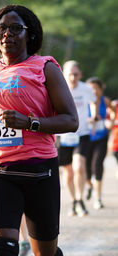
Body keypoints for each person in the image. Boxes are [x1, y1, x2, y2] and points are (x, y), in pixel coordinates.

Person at [0, 4, 78, 256]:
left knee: (45, 252)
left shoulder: (45, 68)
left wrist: (29, 122)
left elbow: (70, 120)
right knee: (3, 249)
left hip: (39, 171)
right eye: (2, 28)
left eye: (15, 28)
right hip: (0, 171)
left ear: (29, 34)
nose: (7, 34)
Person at [58, 60, 96, 217]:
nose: (73, 78)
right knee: (68, 171)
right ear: (64, 75)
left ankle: (80, 200)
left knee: (79, 166)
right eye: (69, 74)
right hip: (64, 135)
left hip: (82, 133)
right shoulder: (58, 88)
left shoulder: (86, 89)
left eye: (75, 74)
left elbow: (94, 102)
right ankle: (73, 201)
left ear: (80, 74)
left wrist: (93, 116)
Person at [85, 77, 114, 210]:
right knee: (86, 167)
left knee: (97, 164)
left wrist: (111, 122)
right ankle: (89, 185)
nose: (94, 91)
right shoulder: (84, 101)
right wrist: (89, 119)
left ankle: (98, 198)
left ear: (101, 89)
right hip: (87, 138)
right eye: (91, 88)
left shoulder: (105, 101)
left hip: (101, 138)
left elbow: (113, 111)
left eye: (96, 88)